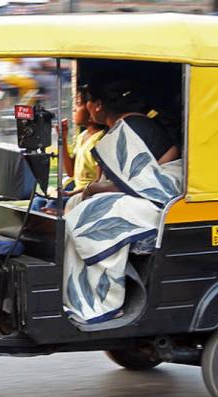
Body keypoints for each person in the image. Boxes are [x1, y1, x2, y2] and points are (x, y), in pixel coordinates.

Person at [63, 78, 181, 324]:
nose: (83, 107)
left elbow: (141, 180)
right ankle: (77, 291)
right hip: (147, 195)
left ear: (97, 105)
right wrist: (88, 191)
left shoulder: (130, 126)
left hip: (162, 200)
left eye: (84, 102)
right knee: (75, 206)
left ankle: (106, 301)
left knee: (91, 215)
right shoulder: (124, 126)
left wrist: (94, 189)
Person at [32, 85, 106, 213]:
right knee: (37, 202)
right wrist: (63, 138)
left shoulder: (101, 140)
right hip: (75, 191)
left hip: (86, 194)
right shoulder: (82, 137)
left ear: (91, 109)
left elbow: (98, 181)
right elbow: (71, 171)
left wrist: (71, 193)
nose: (74, 109)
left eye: (78, 104)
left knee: (51, 205)